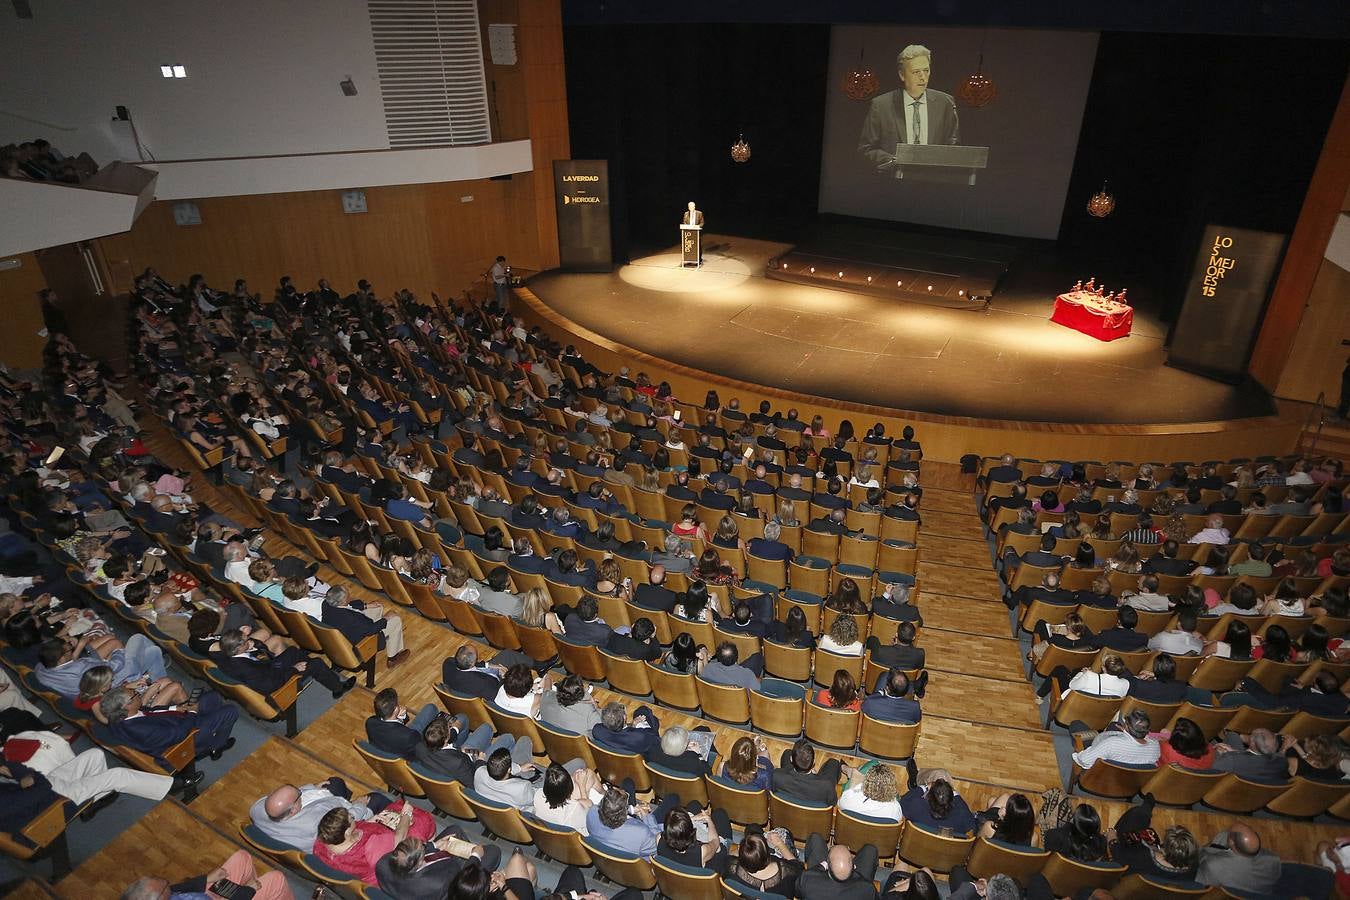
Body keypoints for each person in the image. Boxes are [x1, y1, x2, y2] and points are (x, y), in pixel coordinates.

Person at [314, 801, 435, 886]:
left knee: (390, 810)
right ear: (347, 832)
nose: (352, 816)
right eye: (351, 818)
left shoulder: (320, 843)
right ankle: (431, 845)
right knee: (422, 820)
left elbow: (349, 836)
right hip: (381, 873)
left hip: (362, 869)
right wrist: (406, 815)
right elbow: (400, 838)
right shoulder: (369, 846)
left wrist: (368, 823)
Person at [250, 780, 384, 851]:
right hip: (336, 834)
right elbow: (347, 819)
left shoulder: (257, 809)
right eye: (299, 794)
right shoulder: (317, 819)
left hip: (289, 836)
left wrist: (311, 787)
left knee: (334, 783)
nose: (300, 791)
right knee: (376, 798)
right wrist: (359, 805)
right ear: (293, 811)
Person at [122, 852, 294, 900]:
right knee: (276, 879)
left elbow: (176, 889)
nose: (169, 883)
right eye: (165, 884)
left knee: (241, 857)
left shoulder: (158, 894)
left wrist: (206, 879)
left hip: (206, 895)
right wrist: (246, 891)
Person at [1197, 822, 1282, 894]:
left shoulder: (1213, 866)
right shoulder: (1274, 860)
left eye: (1229, 834)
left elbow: (1201, 883)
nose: (1227, 833)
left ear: (1231, 842)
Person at [798, 835, 880, 900]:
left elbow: (796, 892)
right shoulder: (868, 889)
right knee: (870, 850)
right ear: (853, 867)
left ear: (828, 867)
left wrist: (822, 865)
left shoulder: (807, 878)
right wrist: (854, 872)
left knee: (815, 838)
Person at [365, 688, 441, 758]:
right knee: (431, 708)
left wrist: (402, 718)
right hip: (407, 755)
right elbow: (418, 745)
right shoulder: (409, 736)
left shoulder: (370, 722)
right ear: (395, 710)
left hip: (389, 750)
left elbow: (392, 727)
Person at [771, 739, 842, 805]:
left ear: (791, 759)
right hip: (812, 809)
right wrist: (816, 776)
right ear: (814, 762)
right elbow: (833, 803)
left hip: (786, 809)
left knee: (787, 752)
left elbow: (773, 790)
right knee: (833, 762)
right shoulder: (826, 785)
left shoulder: (776, 775)